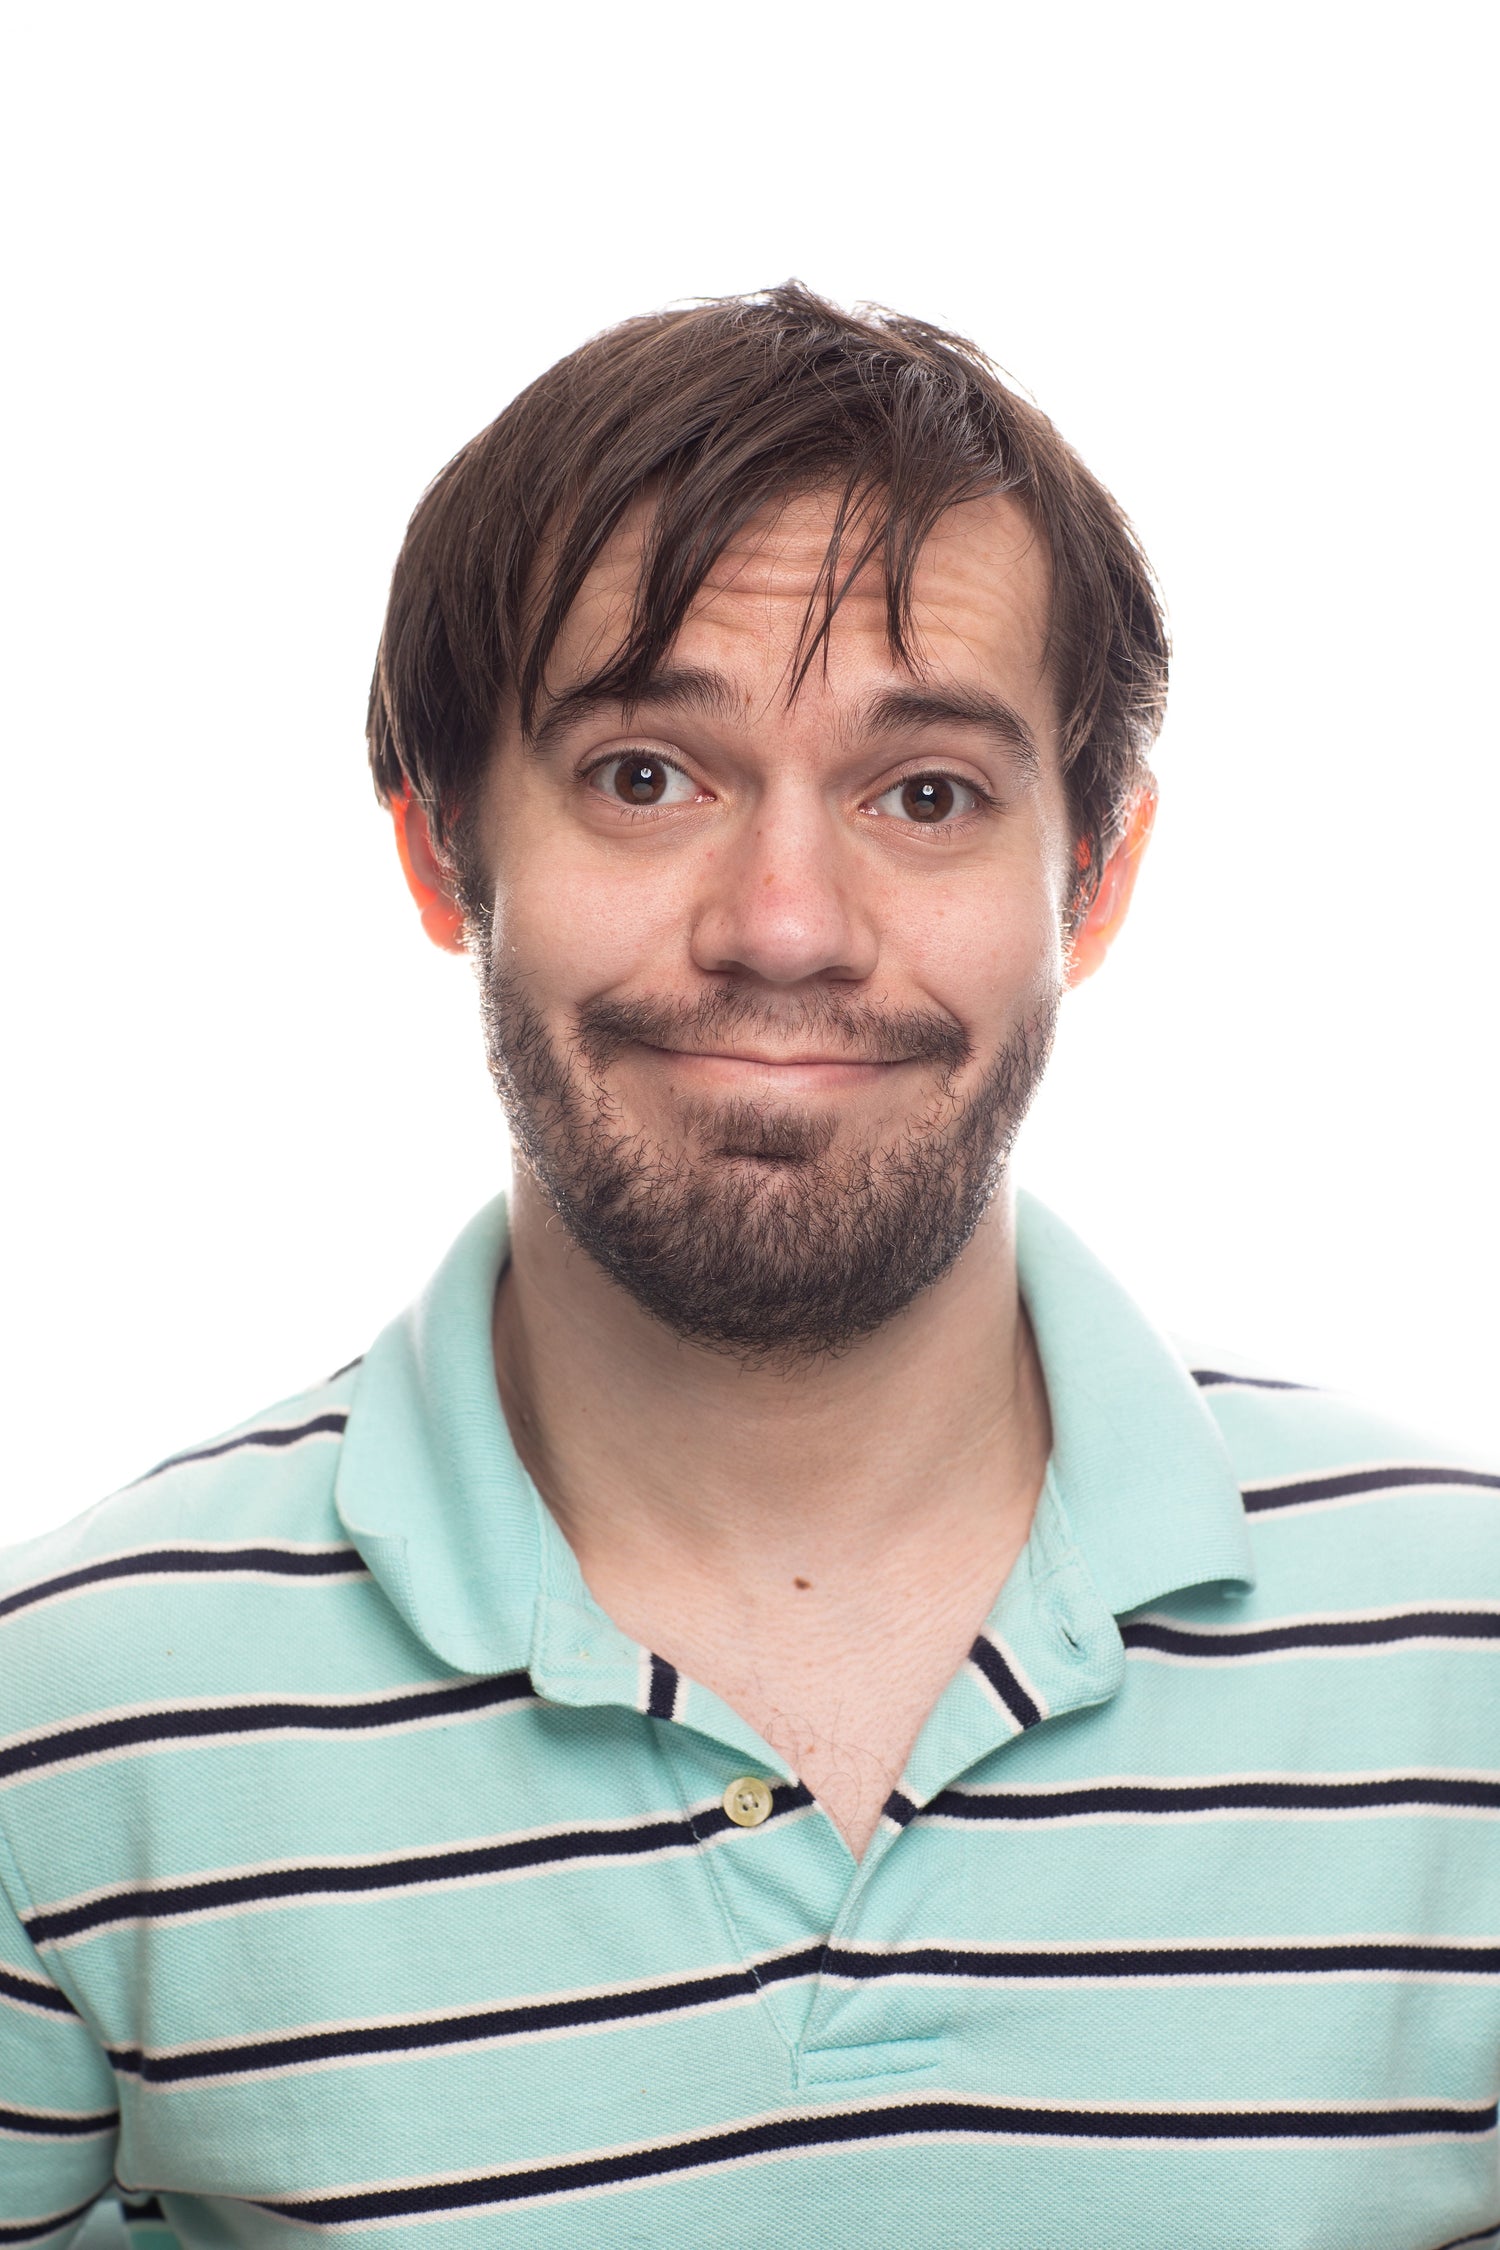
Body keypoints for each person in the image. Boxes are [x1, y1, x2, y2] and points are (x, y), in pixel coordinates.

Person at [3, 284, 1497, 2250]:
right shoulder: (70, 1728)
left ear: (1096, 883)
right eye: (648, 774)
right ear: (445, 853)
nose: (786, 925)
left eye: (927, 794)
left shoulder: (1463, 1667)